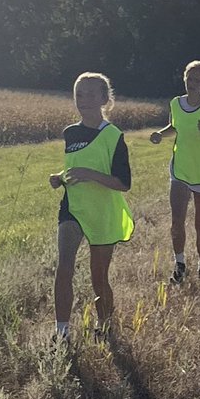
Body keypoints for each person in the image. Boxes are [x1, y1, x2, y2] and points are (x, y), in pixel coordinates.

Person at [49, 72, 134, 340]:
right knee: (64, 267)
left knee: (99, 278)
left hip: (102, 213)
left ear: (104, 99)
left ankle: (105, 327)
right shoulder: (70, 133)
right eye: (78, 94)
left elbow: (123, 183)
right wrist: (59, 177)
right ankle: (61, 332)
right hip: (72, 208)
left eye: (90, 94)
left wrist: (91, 175)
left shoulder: (113, 136)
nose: (83, 99)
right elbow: (75, 168)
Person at [149, 59, 200, 282]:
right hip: (180, 171)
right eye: (189, 78)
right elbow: (174, 126)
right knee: (177, 221)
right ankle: (180, 264)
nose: (192, 83)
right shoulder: (176, 103)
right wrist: (160, 134)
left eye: (197, 79)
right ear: (184, 79)